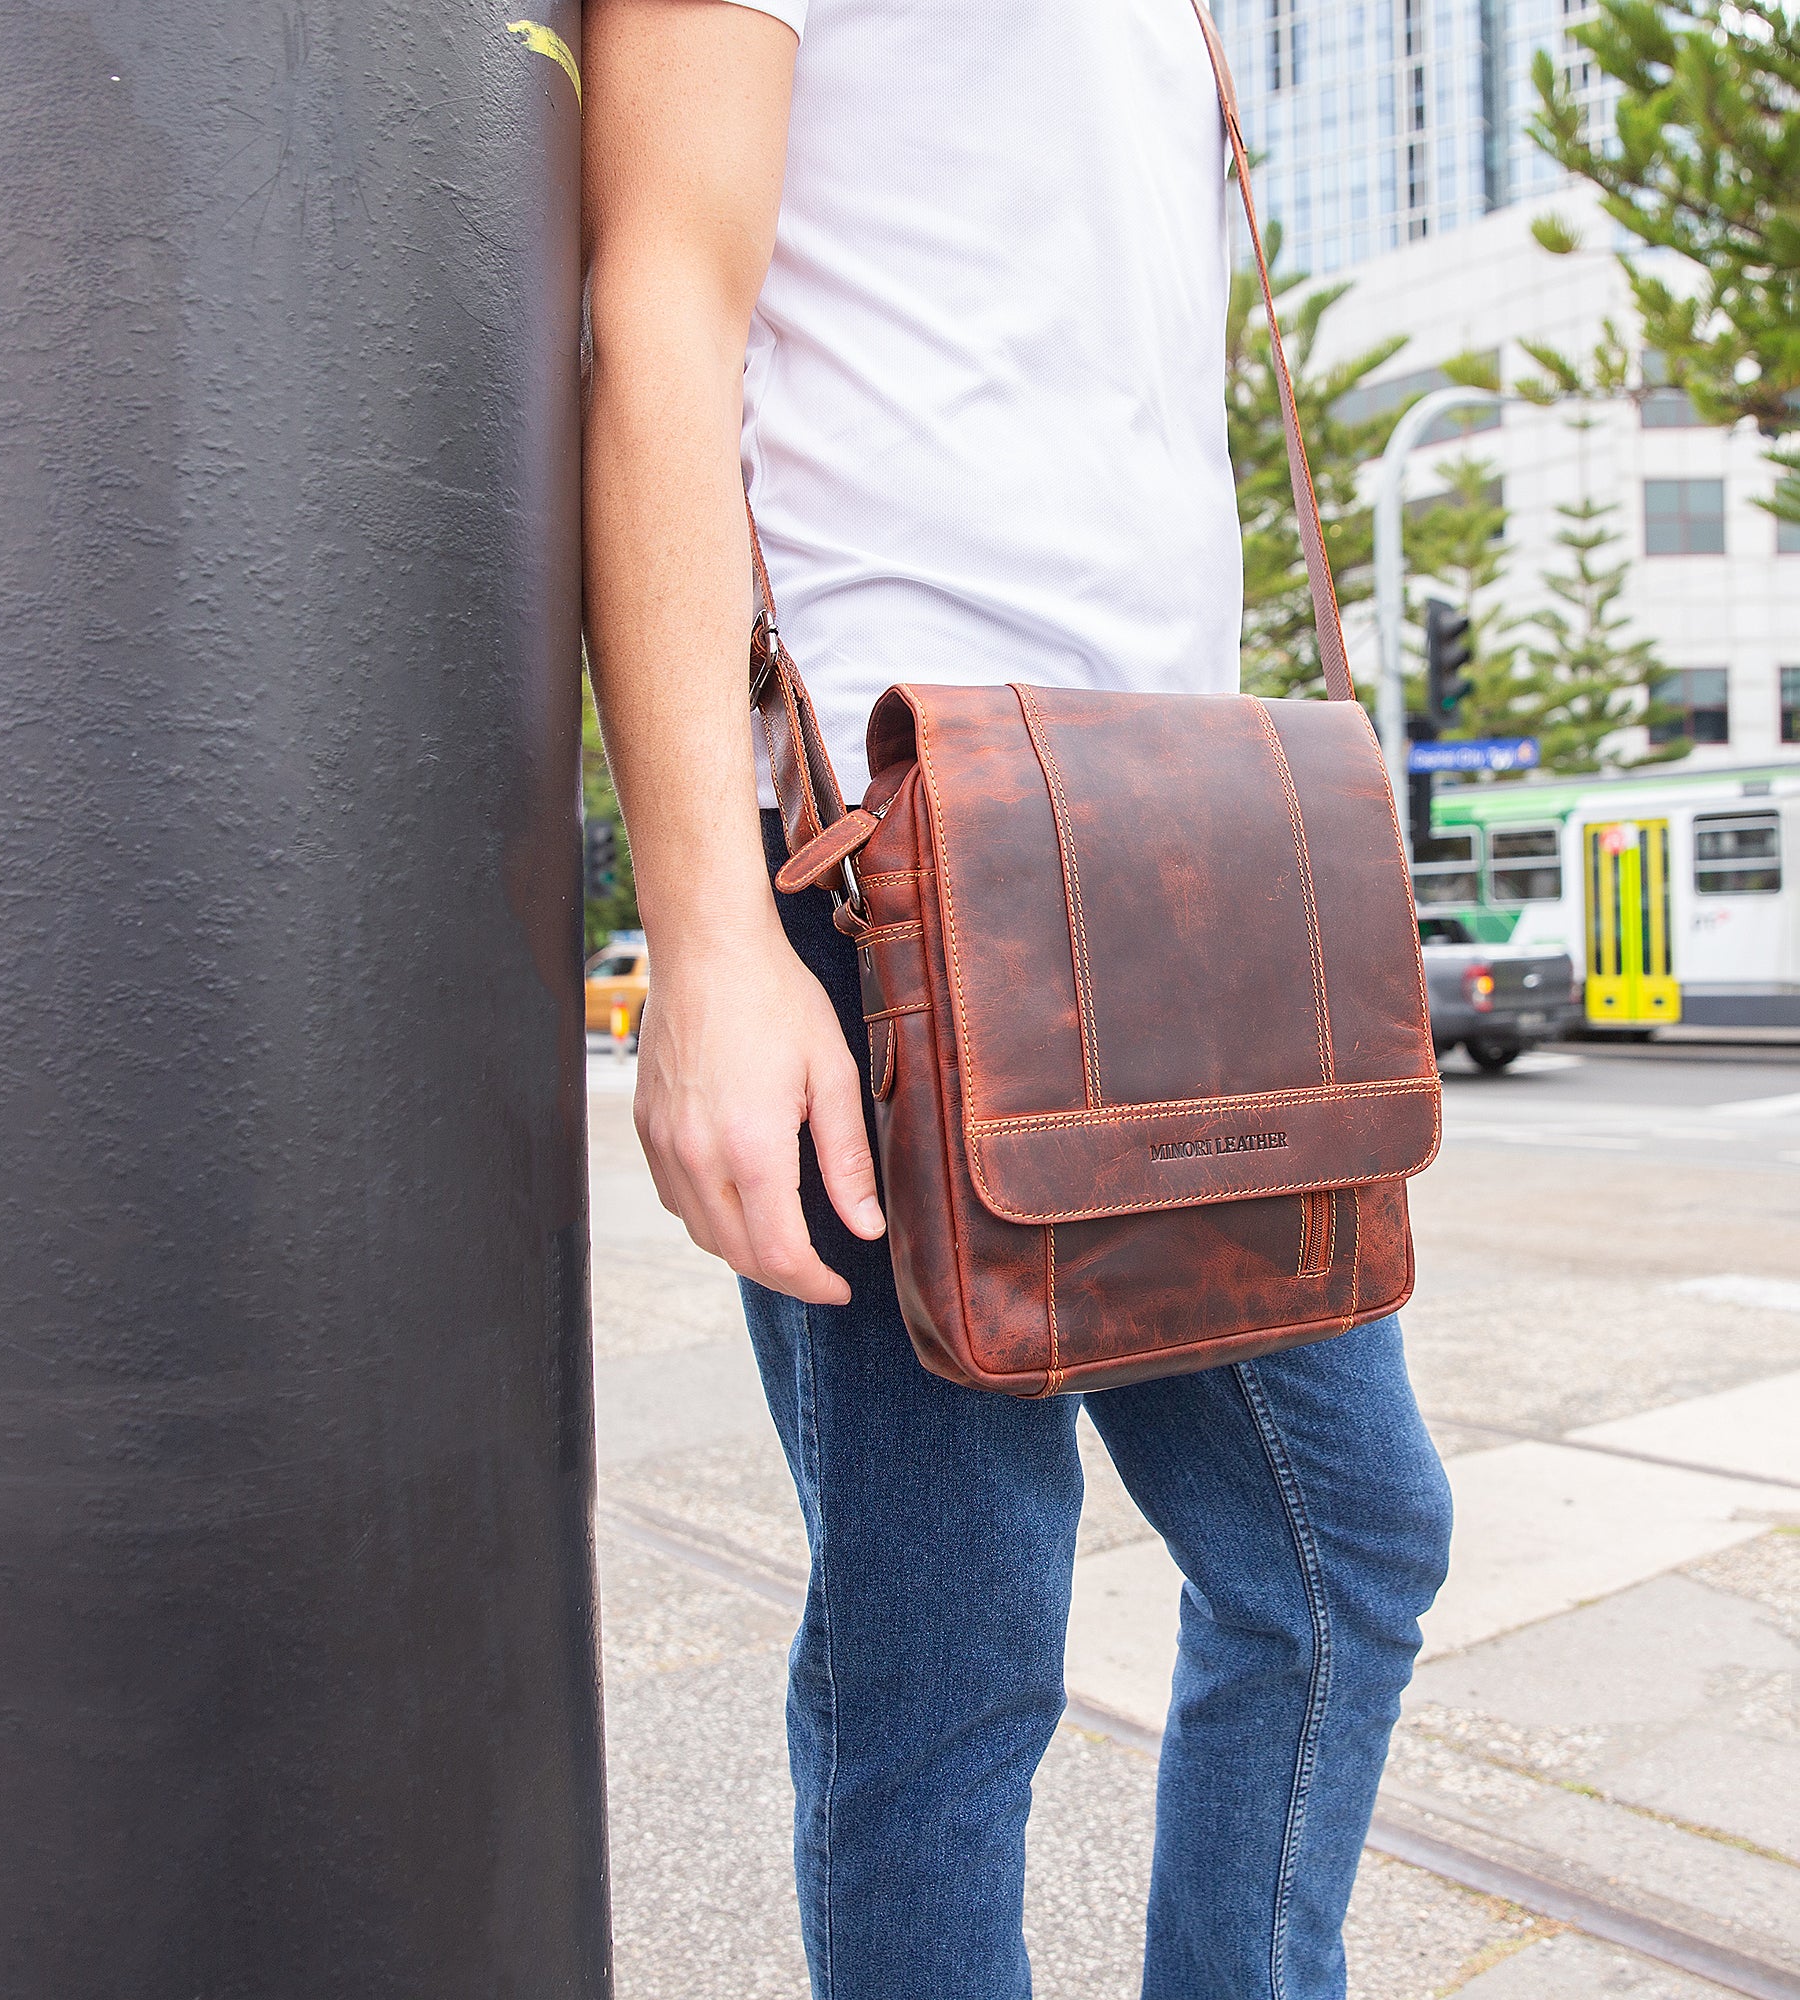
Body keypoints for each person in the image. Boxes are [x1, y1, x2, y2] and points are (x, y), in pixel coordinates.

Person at [581, 1, 1454, 1992]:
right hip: (893, 868)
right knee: (952, 1650)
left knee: (1347, 1548)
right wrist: (709, 933)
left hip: (1175, 857)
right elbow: (659, 309)